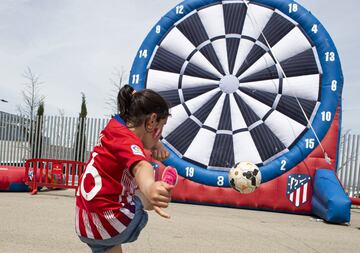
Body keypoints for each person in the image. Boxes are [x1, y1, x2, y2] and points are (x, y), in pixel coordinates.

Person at [75, 84, 178, 253]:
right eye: (162, 126)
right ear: (151, 121)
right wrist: (150, 188)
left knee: (110, 245)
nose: (161, 134)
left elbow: (136, 136)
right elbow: (141, 167)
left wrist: (155, 143)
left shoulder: (114, 126)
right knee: (141, 192)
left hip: (86, 223)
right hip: (113, 222)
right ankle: (154, 193)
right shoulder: (128, 142)